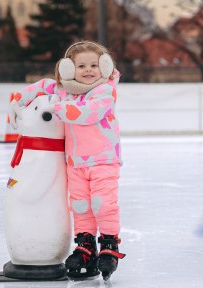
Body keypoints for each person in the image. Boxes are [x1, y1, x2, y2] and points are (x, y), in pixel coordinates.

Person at [8, 41, 124, 281]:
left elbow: (88, 112)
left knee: (103, 204)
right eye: (81, 66)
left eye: (94, 65)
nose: (89, 70)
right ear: (69, 69)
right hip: (75, 162)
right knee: (80, 206)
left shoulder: (105, 91)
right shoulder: (64, 90)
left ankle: (109, 246)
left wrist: (58, 109)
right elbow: (41, 87)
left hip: (103, 159)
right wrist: (18, 100)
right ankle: (85, 247)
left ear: (104, 66)